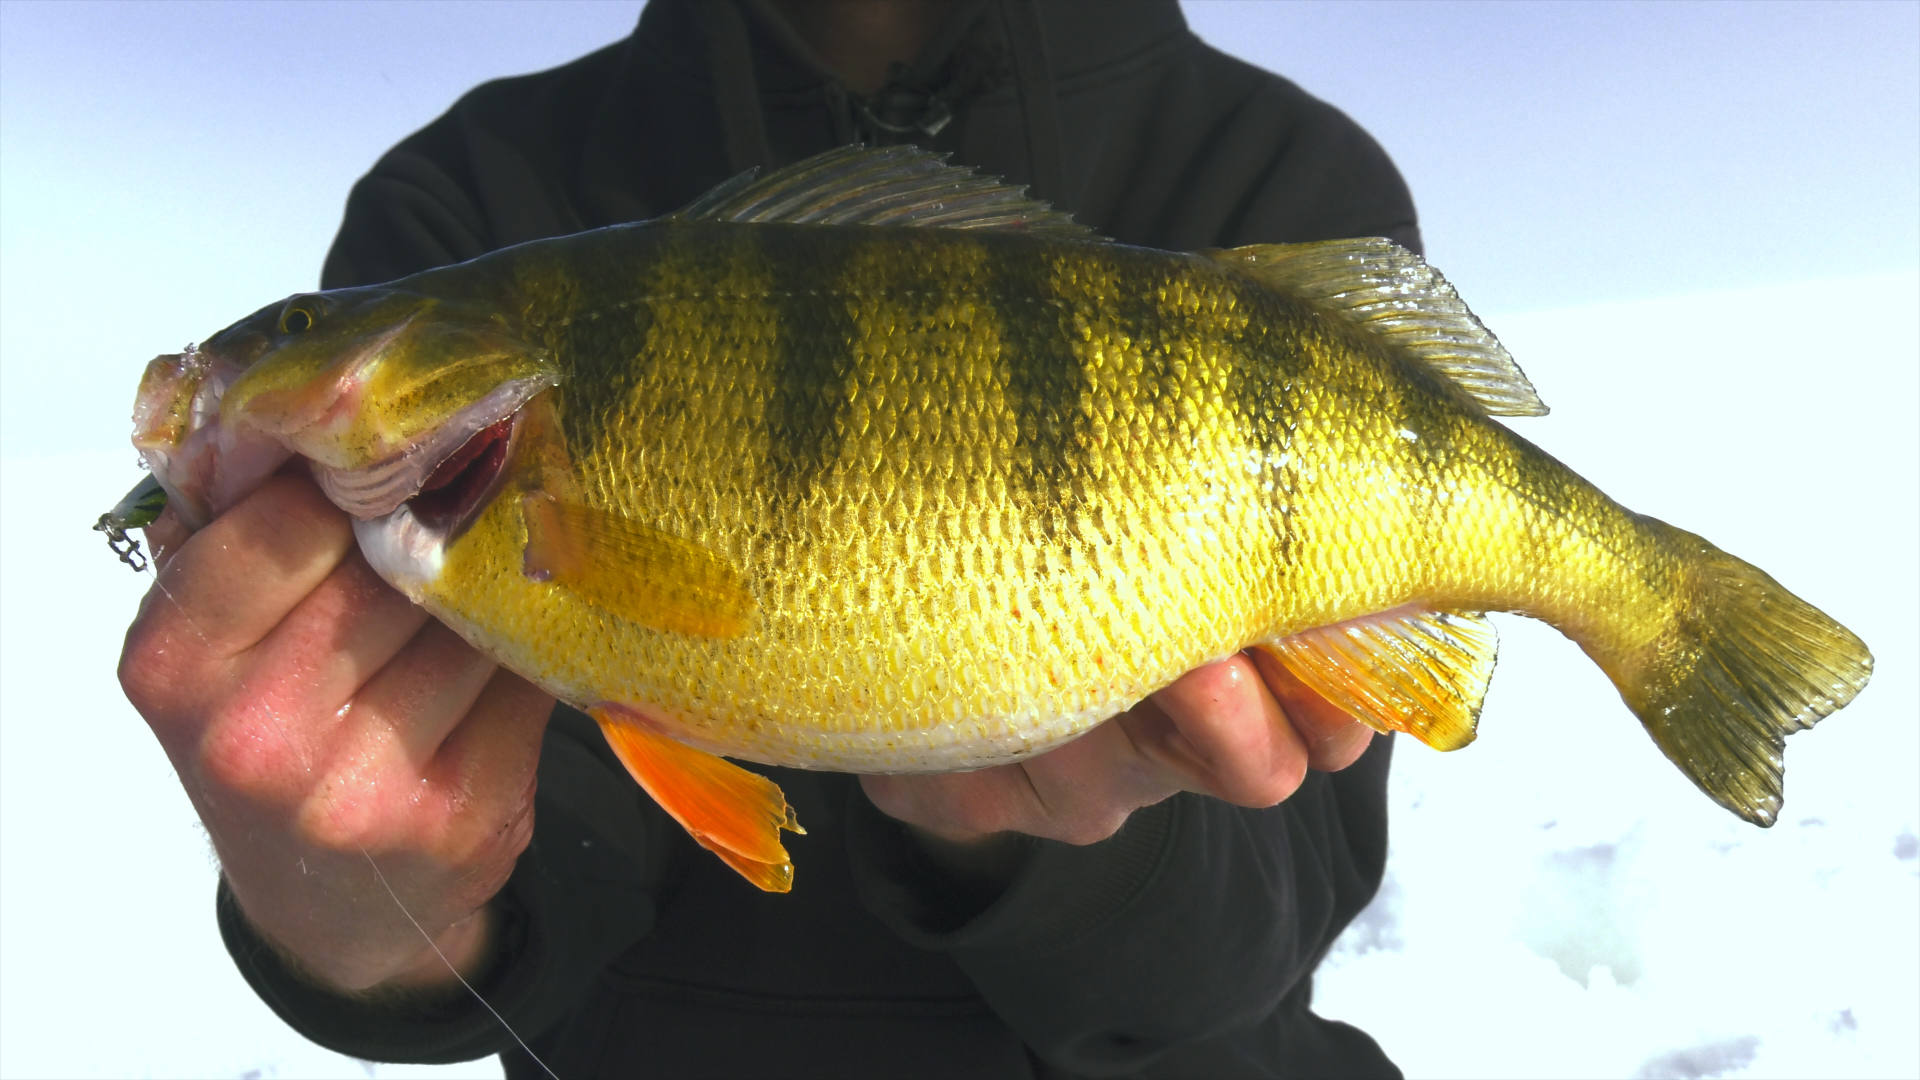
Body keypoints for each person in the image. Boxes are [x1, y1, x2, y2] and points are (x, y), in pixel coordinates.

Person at [119, 2, 1419, 1076]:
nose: (274, 356)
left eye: (298, 331)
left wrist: (1038, 836)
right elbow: (559, 859)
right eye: (303, 328)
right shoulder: (470, 199)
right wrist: (366, 923)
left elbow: (1271, 929)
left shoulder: (1283, 175)